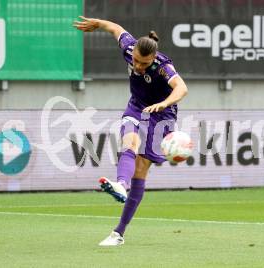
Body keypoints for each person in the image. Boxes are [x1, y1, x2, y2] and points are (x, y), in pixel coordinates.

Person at [73, 16, 188, 246]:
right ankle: (120, 185)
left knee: (141, 169)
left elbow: (181, 88)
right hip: (137, 106)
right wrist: (98, 23)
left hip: (162, 115)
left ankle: (119, 233)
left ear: (153, 58)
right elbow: (115, 28)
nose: (137, 66)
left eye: (143, 64)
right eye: (135, 60)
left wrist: (164, 104)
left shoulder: (163, 67)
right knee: (129, 143)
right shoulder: (129, 47)